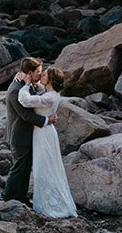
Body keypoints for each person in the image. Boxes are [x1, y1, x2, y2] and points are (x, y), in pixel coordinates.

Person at [17, 67, 77, 218]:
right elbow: (40, 90)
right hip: (44, 132)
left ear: (49, 80)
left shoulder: (50, 97)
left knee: (43, 168)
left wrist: (25, 84)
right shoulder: (50, 93)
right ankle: (45, 201)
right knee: (45, 166)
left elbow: (25, 100)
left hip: (44, 134)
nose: (41, 75)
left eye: (43, 74)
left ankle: (50, 205)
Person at [4, 57, 49, 204]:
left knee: (25, 167)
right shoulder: (15, 90)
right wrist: (46, 121)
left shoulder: (25, 85)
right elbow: (25, 115)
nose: (40, 75)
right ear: (30, 72)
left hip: (26, 135)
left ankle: (21, 197)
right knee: (18, 168)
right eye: (38, 72)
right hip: (19, 136)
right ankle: (9, 197)